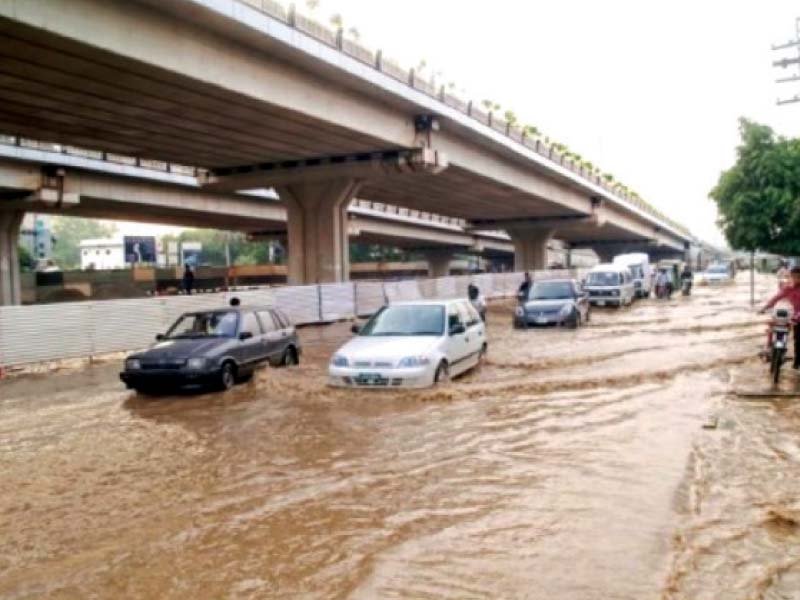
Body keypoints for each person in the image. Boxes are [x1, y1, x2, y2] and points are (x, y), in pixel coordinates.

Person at [759, 266, 800, 370]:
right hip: (794, 316)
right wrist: (765, 307)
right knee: (794, 338)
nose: (795, 279)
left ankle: (796, 361)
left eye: (798, 277)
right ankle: (776, 350)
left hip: (798, 316)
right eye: (793, 277)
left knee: (798, 339)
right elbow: (776, 298)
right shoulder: (788, 288)